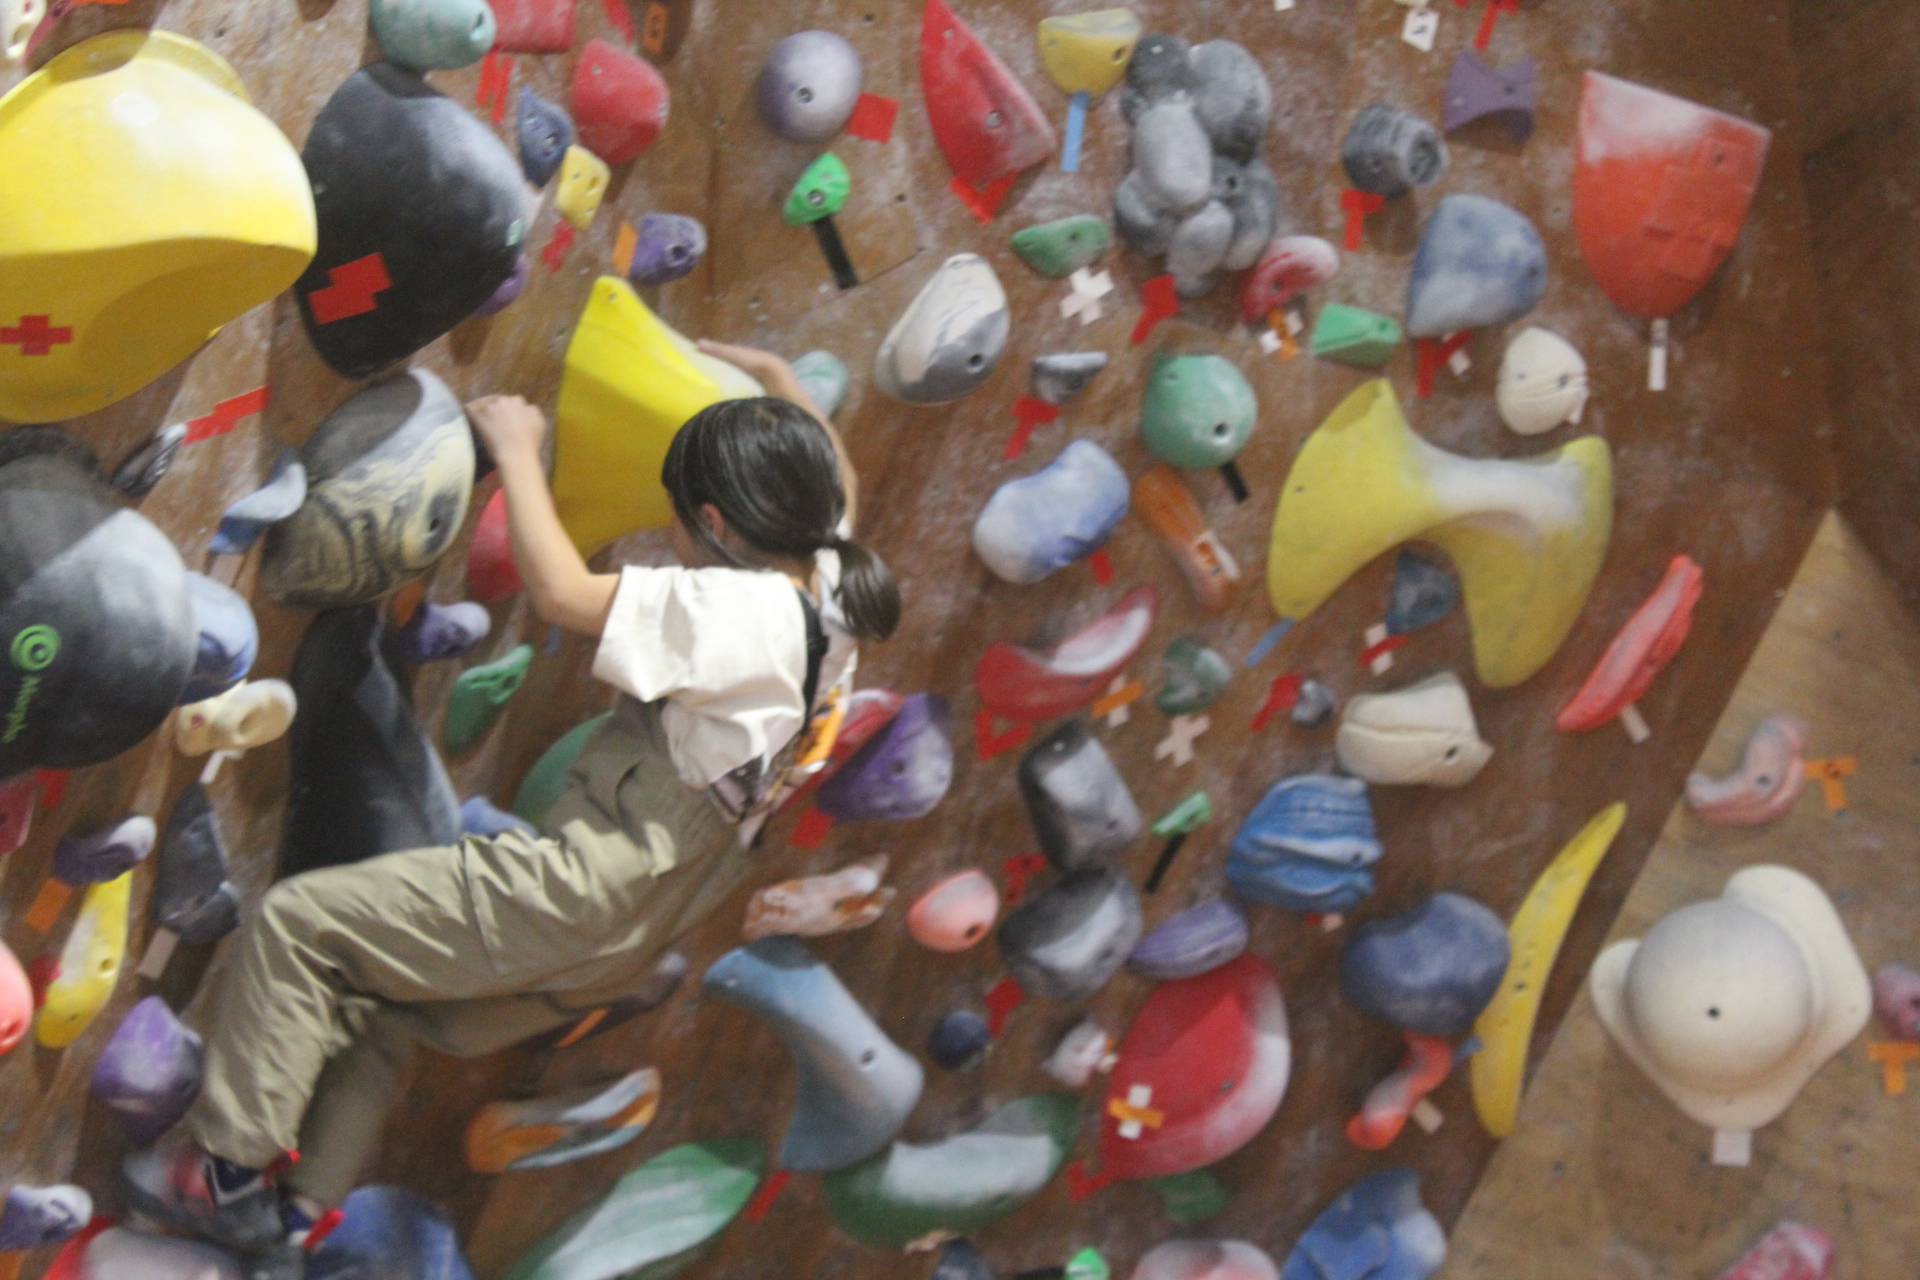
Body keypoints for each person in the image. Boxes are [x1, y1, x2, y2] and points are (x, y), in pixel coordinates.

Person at [124, 343, 898, 1280]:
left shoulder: (738, 613)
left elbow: (563, 593)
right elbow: (841, 483)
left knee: (302, 924)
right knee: (382, 1000)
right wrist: (779, 380)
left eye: (679, 518)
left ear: (715, 522)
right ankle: (297, 1218)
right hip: (654, 911)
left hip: (594, 880)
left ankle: (224, 1173)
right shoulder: (833, 581)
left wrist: (519, 450)